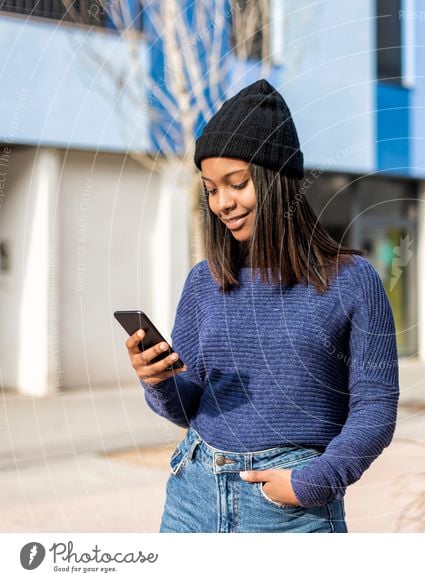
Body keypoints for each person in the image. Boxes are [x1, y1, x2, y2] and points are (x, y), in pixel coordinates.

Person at [123, 79, 400, 533]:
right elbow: (186, 405)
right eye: (211, 189)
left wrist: (311, 485)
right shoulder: (204, 281)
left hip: (289, 508)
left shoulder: (352, 281)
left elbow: (375, 409)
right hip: (193, 494)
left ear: (277, 180)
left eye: (237, 184)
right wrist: (155, 380)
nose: (222, 203)